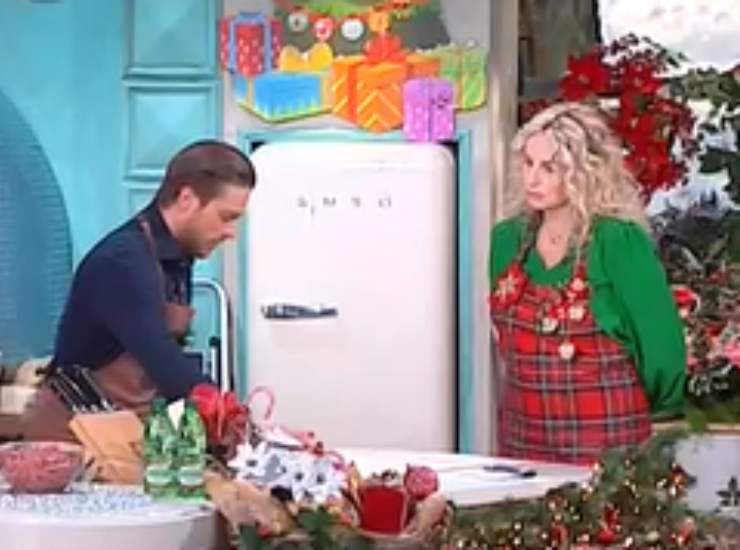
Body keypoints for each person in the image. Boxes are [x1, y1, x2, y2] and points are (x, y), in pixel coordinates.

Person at [488, 102, 685, 465]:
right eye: (528, 164)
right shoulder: (507, 241)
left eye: (550, 168)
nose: (533, 179)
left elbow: (661, 347)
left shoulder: (618, 242)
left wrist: (660, 415)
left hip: (609, 440)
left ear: (584, 172)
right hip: (524, 438)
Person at [23, 140, 255, 441]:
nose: (230, 233)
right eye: (226, 217)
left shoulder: (177, 257)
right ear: (187, 198)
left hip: (119, 424)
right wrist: (236, 422)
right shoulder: (123, 261)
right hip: (73, 431)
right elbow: (162, 359)